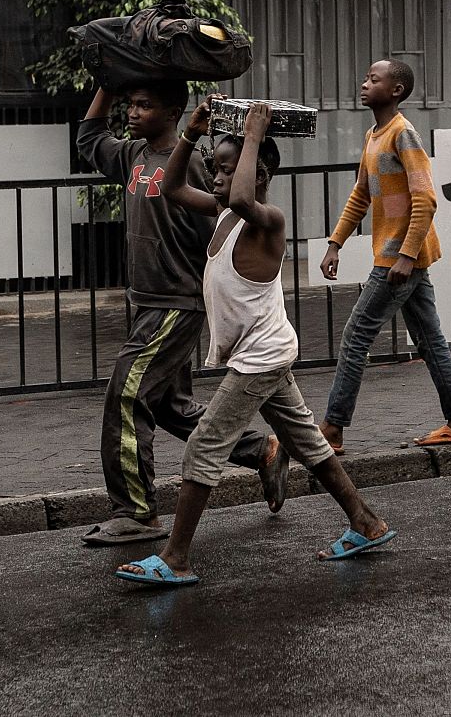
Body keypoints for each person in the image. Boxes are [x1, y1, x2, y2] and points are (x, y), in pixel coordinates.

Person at [114, 100, 394, 585]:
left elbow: (244, 198)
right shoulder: (223, 212)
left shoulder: (269, 219)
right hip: (265, 353)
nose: (217, 178)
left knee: (203, 447)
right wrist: (190, 135)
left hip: (259, 359)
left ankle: (176, 558)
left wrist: (252, 135)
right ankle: (366, 522)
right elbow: (174, 188)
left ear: (259, 174)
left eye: (225, 169)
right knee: (307, 442)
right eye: (216, 168)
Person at [75, 85, 287, 547]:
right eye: (129, 105)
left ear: (173, 111)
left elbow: (228, 218)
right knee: (169, 406)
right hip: (147, 301)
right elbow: (89, 138)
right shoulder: (132, 153)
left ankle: (135, 512)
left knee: (127, 396)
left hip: (176, 301)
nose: (132, 113)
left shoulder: (199, 164)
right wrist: (108, 83)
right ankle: (261, 450)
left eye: (144, 104)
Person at [319, 59, 451, 452]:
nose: (364, 83)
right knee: (429, 339)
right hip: (402, 257)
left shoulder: (403, 134)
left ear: (396, 91)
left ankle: (333, 429)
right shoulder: (374, 134)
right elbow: (360, 195)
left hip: (398, 259)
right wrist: (335, 242)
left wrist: (405, 256)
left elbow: (425, 199)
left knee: (356, 336)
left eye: (374, 79)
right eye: (366, 77)